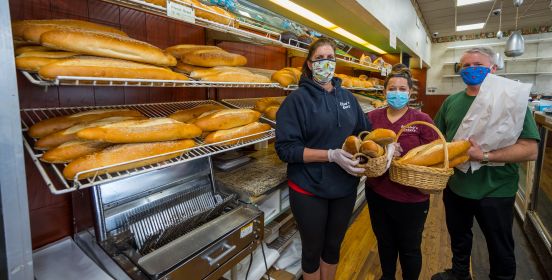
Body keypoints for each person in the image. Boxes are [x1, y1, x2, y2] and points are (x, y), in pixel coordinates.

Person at [431, 47, 540, 280]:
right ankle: (460, 274)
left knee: (499, 246)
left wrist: (486, 157)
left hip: (496, 190)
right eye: (466, 65)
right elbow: (436, 139)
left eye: (478, 64)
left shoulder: (511, 103)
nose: (471, 69)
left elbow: (530, 150)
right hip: (457, 186)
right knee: (459, 238)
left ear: (493, 68)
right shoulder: (451, 102)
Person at [275, 38, 371, 280]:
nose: (326, 63)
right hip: (309, 188)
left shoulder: (348, 98)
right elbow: (286, 149)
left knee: (333, 246)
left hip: (345, 186)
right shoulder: (296, 101)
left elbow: (364, 130)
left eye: (330, 58)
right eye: (320, 59)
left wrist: (380, 147)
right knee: (311, 250)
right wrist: (330, 155)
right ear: (309, 64)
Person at [365, 65, 439, 280]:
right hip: (378, 192)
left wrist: (406, 155)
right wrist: (380, 152)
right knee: (385, 242)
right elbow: (364, 149)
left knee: (410, 247)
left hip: (412, 197)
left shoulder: (421, 120)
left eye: (402, 89)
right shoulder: (373, 118)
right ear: (384, 91)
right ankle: (387, 276)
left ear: (410, 93)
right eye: (392, 88)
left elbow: (434, 155)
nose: (397, 93)